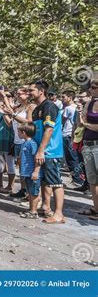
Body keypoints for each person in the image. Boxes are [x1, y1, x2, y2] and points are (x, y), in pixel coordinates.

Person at [29, 80, 65, 224]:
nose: (29, 93)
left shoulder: (49, 106)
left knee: (56, 182)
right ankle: (46, 207)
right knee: (45, 182)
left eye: (31, 90)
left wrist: (41, 150)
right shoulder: (37, 108)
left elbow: (49, 129)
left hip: (50, 151)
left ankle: (59, 214)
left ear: (41, 91)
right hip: (41, 150)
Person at [2, 86, 36, 199]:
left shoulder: (30, 107)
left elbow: (29, 123)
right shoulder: (19, 107)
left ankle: (30, 192)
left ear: (27, 94)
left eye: (20, 93)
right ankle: (23, 189)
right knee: (21, 168)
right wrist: (4, 113)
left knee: (26, 167)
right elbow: (11, 123)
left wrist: (13, 115)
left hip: (25, 141)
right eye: (16, 93)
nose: (17, 95)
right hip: (17, 140)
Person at [77, 78, 98, 220]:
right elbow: (81, 121)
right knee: (92, 180)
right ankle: (96, 209)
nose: (91, 89)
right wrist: (82, 117)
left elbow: (87, 123)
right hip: (88, 143)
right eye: (90, 87)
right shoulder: (90, 103)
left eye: (94, 87)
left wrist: (86, 124)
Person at [17, 123, 42, 219]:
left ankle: (34, 211)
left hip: (32, 173)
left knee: (34, 192)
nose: (18, 134)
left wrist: (36, 171)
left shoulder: (32, 144)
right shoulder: (25, 143)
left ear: (23, 133)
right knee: (30, 192)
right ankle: (31, 209)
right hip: (26, 173)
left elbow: (37, 159)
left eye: (19, 132)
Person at [61, 90, 83, 185]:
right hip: (74, 135)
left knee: (71, 159)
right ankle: (79, 178)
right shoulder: (76, 108)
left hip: (67, 135)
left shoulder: (68, 108)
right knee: (76, 158)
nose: (62, 99)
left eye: (64, 97)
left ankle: (77, 179)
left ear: (70, 98)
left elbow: (62, 121)